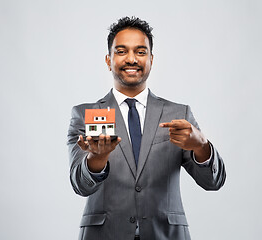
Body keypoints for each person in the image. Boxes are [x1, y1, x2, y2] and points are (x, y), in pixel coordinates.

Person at [67, 16, 226, 240]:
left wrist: (201, 147)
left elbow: (213, 182)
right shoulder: (84, 115)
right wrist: (96, 160)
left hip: (166, 234)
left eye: (140, 52)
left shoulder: (179, 114)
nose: (131, 59)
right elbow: (80, 185)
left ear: (151, 59)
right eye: (121, 51)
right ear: (108, 60)